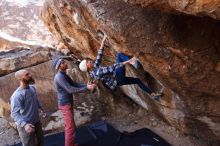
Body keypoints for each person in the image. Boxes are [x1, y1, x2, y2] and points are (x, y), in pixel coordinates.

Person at [79, 34, 162, 100]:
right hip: (118, 77)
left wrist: (103, 41)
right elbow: (113, 67)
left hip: (118, 81)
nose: (89, 61)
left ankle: (152, 94)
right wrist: (128, 61)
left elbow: (99, 55)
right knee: (119, 55)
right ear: (88, 67)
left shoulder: (94, 69)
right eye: (88, 62)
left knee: (137, 80)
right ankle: (134, 62)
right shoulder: (97, 72)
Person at [53, 58, 96, 146]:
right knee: (70, 128)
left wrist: (86, 85)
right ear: (59, 66)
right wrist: (87, 88)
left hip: (67, 103)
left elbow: (75, 84)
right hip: (65, 104)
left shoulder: (64, 75)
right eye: (63, 62)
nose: (65, 63)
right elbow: (70, 89)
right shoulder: (60, 77)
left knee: (70, 126)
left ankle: (71, 144)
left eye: (64, 61)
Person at [10, 69, 44, 146]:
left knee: (40, 142)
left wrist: (40, 107)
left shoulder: (32, 88)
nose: (30, 75)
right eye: (27, 75)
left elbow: (35, 99)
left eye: (29, 73)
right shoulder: (17, 95)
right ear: (20, 79)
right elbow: (14, 113)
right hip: (25, 125)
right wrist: (25, 125)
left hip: (36, 122)